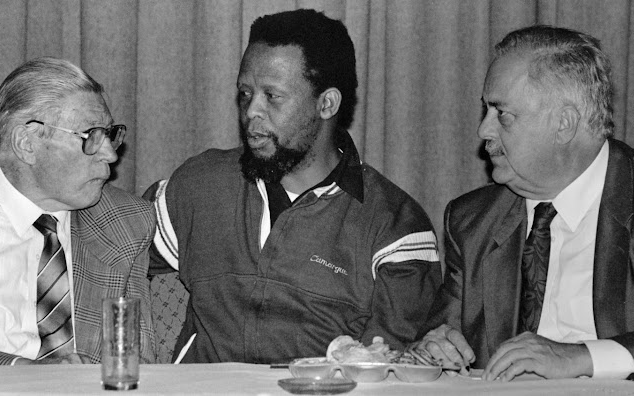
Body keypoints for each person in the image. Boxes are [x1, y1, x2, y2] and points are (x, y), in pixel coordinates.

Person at [146, 9, 440, 363]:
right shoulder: (201, 185)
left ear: (326, 103)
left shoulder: (393, 225)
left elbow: (389, 369)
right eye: (245, 93)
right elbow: (104, 245)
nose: (252, 110)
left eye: (272, 96)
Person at [411, 25, 634, 381]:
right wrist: (433, 349)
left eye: (501, 113)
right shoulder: (472, 221)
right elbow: (441, 340)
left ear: (564, 124)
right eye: (486, 111)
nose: (484, 131)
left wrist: (581, 357)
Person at [0, 57, 156, 365]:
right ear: (26, 143)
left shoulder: (127, 221)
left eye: (109, 134)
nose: (109, 154)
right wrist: (27, 376)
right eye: (91, 136)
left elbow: (133, 360)